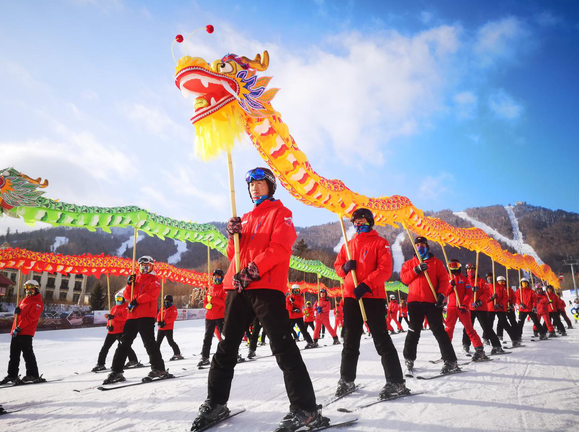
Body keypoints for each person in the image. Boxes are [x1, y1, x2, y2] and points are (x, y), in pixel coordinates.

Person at [191, 167, 327, 432]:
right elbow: (234, 255)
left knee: (282, 345)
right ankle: (216, 402)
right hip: (236, 286)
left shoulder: (281, 213)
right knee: (227, 346)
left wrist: (253, 270)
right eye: (250, 184)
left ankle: (305, 409)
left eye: (259, 182)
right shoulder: (245, 217)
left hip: (264, 285)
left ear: (270, 186)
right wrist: (232, 236)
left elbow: (279, 249)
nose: (254, 187)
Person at [333, 208, 408, 398]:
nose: (359, 224)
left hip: (372, 297)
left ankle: (396, 381)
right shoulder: (348, 246)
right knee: (350, 339)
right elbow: (337, 269)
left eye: (362, 221)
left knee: (381, 338)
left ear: (370, 222)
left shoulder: (380, 243)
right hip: (351, 297)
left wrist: (366, 285)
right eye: (355, 222)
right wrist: (344, 267)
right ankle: (347, 380)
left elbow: (385, 269)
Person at [104, 255, 170, 384]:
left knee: (149, 343)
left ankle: (158, 368)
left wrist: (137, 301)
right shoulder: (136, 279)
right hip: (132, 316)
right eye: (142, 266)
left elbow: (152, 295)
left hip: (146, 315)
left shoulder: (155, 279)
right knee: (124, 343)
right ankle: (116, 371)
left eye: (147, 266)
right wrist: (129, 284)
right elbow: (127, 295)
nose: (144, 268)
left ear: (151, 266)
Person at [400, 236, 459, 374]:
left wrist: (441, 294)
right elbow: (404, 279)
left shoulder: (437, 263)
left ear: (427, 247)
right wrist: (416, 270)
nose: (420, 247)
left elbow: (444, 280)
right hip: (414, 302)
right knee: (413, 331)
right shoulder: (409, 264)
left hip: (432, 302)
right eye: (417, 245)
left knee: (438, 330)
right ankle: (409, 358)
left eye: (422, 245)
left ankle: (450, 360)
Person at [0, 280, 45, 385]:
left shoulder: (38, 303)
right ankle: (12, 375)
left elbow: (31, 317)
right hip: (16, 331)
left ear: (36, 288)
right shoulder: (24, 300)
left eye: (31, 288)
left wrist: (19, 327)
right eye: (27, 288)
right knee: (13, 354)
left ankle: (33, 374)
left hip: (26, 331)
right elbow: (20, 317)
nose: (28, 290)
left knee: (27, 354)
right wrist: (17, 312)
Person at [443, 260, 487, 361]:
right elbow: (444, 293)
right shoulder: (447, 278)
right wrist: (450, 286)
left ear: (460, 266)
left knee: (469, 329)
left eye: (456, 265)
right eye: (452, 266)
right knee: (448, 330)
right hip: (451, 308)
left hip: (463, 308)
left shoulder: (464, 279)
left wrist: (464, 304)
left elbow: (469, 293)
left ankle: (479, 350)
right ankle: (446, 352)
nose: (454, 268)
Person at [92, 293, 139, 372]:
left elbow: (125, 318)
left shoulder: (126, 307)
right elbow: (110, 319)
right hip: (112, 331)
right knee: (105, 348)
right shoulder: (114, 308)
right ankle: (100, 364)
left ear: (123, 299)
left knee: (125, 347)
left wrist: (114, 317)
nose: (118, 300)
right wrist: (108, 325)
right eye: (117, 299)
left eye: (120, 299)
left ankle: (133, 360)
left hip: (120, 331)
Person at [463, 269, 504, 354]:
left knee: (486, 327)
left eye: (472, 269)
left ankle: (497, 345)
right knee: (467, 326)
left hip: (481, 308)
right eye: (468, 269)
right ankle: (466, 344)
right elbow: (462, 293)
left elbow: (487, 293)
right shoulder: (464, 281)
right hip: (469, 307)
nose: (470, 271)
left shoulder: (481, 281)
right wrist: (470, 291)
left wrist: (480, 301)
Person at [199, 270, 226, 366]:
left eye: (219, 277)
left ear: (222, 278)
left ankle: (229, 354)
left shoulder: (224, 288)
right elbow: (205, 302)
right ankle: (205, 357)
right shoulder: (210, 289)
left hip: (220, 317)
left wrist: (213, 300)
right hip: (209, 317)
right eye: (215, 277)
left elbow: (224, 303)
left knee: (224, 337)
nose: (216, 278)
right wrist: (207, 305)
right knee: (207, 338)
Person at [487, 276, 521, 346]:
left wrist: (505, 304)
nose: (502, 283)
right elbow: (485, 298)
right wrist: (491, 298)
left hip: (502, 308)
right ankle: (487, 337)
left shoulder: (507, 289)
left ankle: (515, 338)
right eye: (500, 281)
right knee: (489, 324)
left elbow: (507, 297)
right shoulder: (489, 287)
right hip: (492, 308)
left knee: (506, 322)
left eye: (503, 281)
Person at [156, 294, 183, 360]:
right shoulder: (163, 308)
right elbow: (159, 315)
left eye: (167, 301)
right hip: (161, 328)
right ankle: (155, 356)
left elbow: (172, 318)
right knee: (157, 343)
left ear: (171, 301)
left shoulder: (173, 309)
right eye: (165, 301)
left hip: (168, 328)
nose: (166, 302)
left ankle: (177, 353)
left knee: (170, 341)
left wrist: (165, 322)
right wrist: (159, 322)